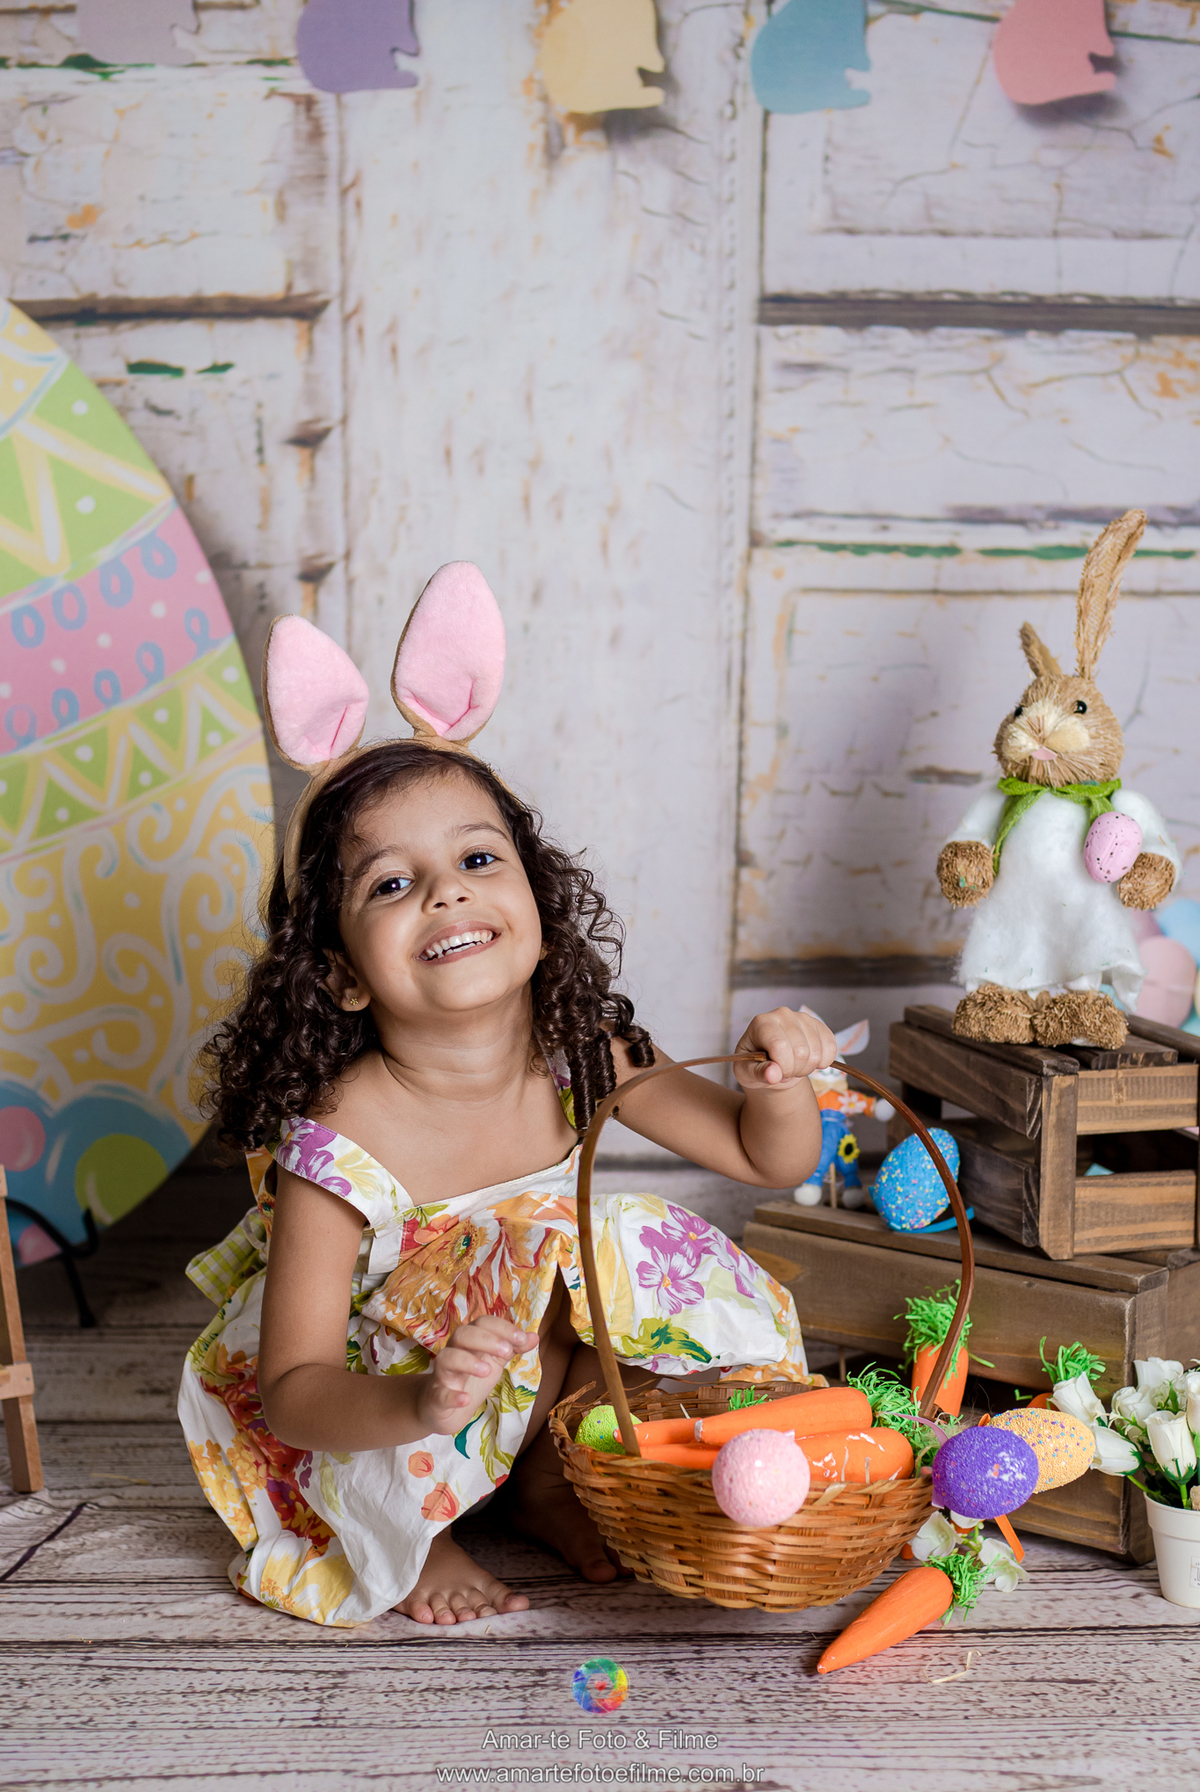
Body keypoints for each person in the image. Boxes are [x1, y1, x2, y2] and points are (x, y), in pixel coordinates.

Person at [178, 570, 836, 1629]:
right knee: (517, 1290)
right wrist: (419, 1400)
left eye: (479, 859)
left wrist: (781, 1082)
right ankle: (423, 1527)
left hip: (521, 1370)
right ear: (340, 972)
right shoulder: (340, 1138)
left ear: (536, 896)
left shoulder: (584, 1050)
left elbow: (768, 1161)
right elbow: (294, 1389)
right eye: (388, 884)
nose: (445, 891)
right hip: (374, 1414)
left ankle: (539, 1483)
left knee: (613, 1249)